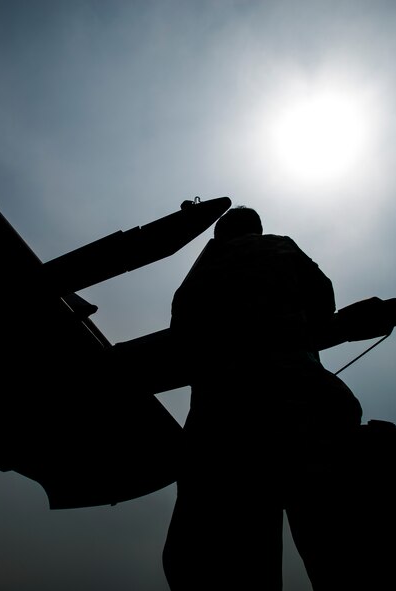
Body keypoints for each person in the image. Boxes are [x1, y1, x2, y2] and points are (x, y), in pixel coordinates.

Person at [162, 206, 364, 590]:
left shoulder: (201, 270)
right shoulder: (278, 248)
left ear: (220, 233)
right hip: (300, 399)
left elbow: (181, 334)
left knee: (222, 556)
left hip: (220, 417)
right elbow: (323, 300)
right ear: (255, 228)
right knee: (340, 540)